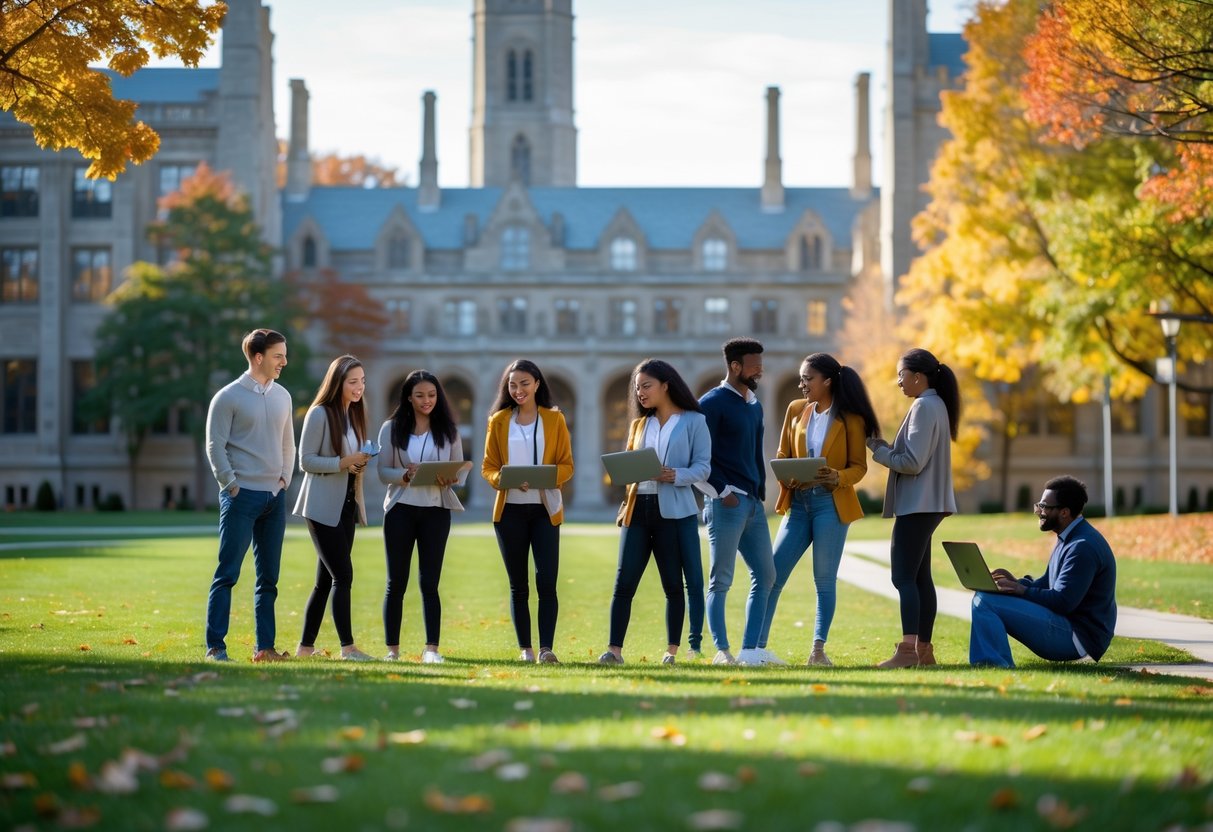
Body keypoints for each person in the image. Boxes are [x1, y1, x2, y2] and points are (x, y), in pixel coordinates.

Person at [756, 353, 880, 667]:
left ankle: (818, 651)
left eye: (808, 379)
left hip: (831, 504)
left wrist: (838, 477)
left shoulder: (851, 418)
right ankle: (756, 649)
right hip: (797, 504)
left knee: (824, 580)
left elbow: (858, 467)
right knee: (771, 576)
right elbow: (783, 452)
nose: (802, 385)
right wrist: (789, 474)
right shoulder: (796, 410)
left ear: (827, 381)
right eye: (801, 378)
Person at [599, 359, 711, 666]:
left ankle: (671, 651)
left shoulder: (694, 421)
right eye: (637, 388)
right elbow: (634, 463)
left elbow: (703, 467)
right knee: (624, 583)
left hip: (673, 511)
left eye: (646, 386)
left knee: (673, 584)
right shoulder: (639, 425)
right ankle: (614, 651)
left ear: (666, 385)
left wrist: (673, 474)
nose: (640, 393)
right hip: (638, 507)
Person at [203, 328, 295, 663]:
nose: (284, 361)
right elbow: (215, 446)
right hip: (241, 497)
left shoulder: (283, 396)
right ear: (258, 357)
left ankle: (265, 649)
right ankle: (216, 646)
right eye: (278, 355)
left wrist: (285, 477)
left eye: (284, 355)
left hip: (274, 497)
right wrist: (230, 484)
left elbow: (288, 443)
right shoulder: (228, 397)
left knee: (269, 579)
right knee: (227, 574)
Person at [866, 347, 961, 668]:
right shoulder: (936, 405)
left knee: (903, 577)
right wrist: (883, 447)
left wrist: (878, 451)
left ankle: (907, 652)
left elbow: (912, 462)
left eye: (901, 375)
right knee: (920, 578)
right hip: (929, 503)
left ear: (918, 377)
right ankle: (924, 652)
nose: (898, 382)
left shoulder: (924, 407)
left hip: (918, 504)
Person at [481, 359, 574, 664]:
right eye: (512, 384)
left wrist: (546, 476)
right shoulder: (498, 421)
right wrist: (503, 478)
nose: (518, 390)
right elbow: (488, 468)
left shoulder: (554, 420)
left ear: (536, 384)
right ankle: (526, 649)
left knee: (547, 582)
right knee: (518, 585)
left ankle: (546, 648)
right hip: (509, 512)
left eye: (524, 383)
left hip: (545, 510)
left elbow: (567, 465)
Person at [970, 476, 1117, 667]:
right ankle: (991, 663)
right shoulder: (1069, 537)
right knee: (984, 595)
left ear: (1064, 512)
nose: (1038, 511)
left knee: (985, 602)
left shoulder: (1082, 546)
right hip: (1066, 626)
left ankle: (994, 665)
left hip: (1076, 636)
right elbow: (1047, 583)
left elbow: (1063, 602)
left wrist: (1022, 591)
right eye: (1039, 505)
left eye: (1044, 506)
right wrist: (1016, 584)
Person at [378, 370, 468, 663]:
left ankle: (432, 649)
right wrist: (405, 475)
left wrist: (449, 478)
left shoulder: (449, 430)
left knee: (430, 583)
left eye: (431, 395)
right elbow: (383, 472)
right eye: (419, 395)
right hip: (401, 510)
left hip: (436, 511)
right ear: (408, 397)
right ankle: (392, 650)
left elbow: (458, 470)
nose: (426, 400)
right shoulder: (391, 428)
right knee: (396, 583)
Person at [699, 337, 777, 666]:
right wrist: (721, 491)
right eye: (754, 365)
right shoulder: (711, 403)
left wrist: (759, 493)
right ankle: (722, 651)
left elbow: (755, 453)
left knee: (766, 575)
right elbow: (699, 457)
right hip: (725, 503)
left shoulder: (754, 404)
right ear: (735, 366)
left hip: (752, 505)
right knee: (722, 579)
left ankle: (750, 651)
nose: (760, 370)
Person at [293, 355, 374, 661]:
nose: (359, 387)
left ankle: (304, 649)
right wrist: (344, 463)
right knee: (343, 575)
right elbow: (306, 461)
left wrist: (358, 463)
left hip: (347, 505)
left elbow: (347, 461)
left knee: (325, 580)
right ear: (337, 382)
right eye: (353, 381)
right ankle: (348, 648)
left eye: (362, 381)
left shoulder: (354, 414)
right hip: (321, 506)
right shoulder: (319, 414)